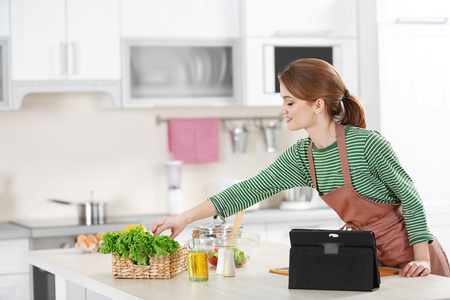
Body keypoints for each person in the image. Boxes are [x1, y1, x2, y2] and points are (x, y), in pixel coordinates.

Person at [152, 58, 450, 278]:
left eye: (289, 102)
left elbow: (410, 198)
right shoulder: (302, 156)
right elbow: (249, 190)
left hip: (416, 261)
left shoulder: (367, 144)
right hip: (369, 258)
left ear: (318, 105)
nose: (283, 109)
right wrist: (184, 218)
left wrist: (422, 259)